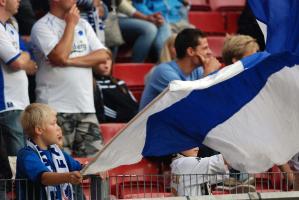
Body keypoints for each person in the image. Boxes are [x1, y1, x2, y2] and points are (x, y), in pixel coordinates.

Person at [31, 0, 111, 157]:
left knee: (97, 169)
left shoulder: (83, 24)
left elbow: (103, 55)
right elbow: (59, 55)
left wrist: (69, 61)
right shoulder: (42, 26)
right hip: (54, 110)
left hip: (86, 108)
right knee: (59, 167)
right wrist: (70, 25)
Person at [0, 0, 37, 197]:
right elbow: (16, 62)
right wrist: (21, 58)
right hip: (6, 106)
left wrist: (22, 58)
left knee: (25, 165)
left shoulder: (11, 27)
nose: (20, 1)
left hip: (22, 105)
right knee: (18, 169)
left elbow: (30, 62)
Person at [139, 28, 221, 110]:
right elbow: (188, 102)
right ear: (191, 52)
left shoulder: (197, 70)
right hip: (149, 122)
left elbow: (214, 97)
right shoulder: (163, 71)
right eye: (205, 48)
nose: (210, 52)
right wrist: (209, 73)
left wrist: (213, 73)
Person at [16, 103, 83, 200]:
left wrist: (95, 170)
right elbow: (44, 178)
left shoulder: (57, 152)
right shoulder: (26, 155)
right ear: (39, 130)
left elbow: (80, 170)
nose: (58, 127)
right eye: (53, 123)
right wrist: (68, 177)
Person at [93, 57, 139, 122]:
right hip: (114, 124)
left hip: (131, 122)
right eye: (101, 60)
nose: (106, 64)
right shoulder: (94, 86)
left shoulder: (120, 83)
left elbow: (134, 104)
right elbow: (101, 111)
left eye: (108, 59)